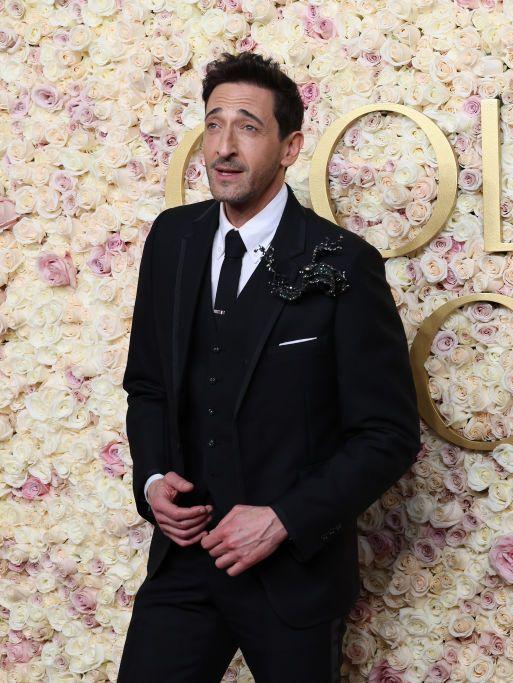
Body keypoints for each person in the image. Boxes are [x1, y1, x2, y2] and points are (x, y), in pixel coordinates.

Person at [116, 51, 421, 681]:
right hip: (182, 567)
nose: (224, 147)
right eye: (214, 123)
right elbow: (147, 385)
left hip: (293, 579)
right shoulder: (171, 240)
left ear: (290, 147)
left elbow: (387, 436)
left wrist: (284, 519)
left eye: (248, 127)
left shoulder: (343, 261)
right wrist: (151, 484)